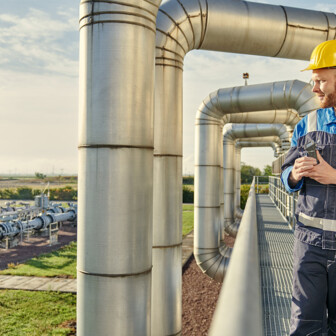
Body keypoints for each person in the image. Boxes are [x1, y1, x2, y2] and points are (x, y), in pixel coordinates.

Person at [281, 39, 336, 336]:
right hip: (309, 244)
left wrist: (334, 176)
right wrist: (294, 176)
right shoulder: (307, 124)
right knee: (304, 327)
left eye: (321, 80)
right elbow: (285, 175)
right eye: (313, 80)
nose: (314, 88)